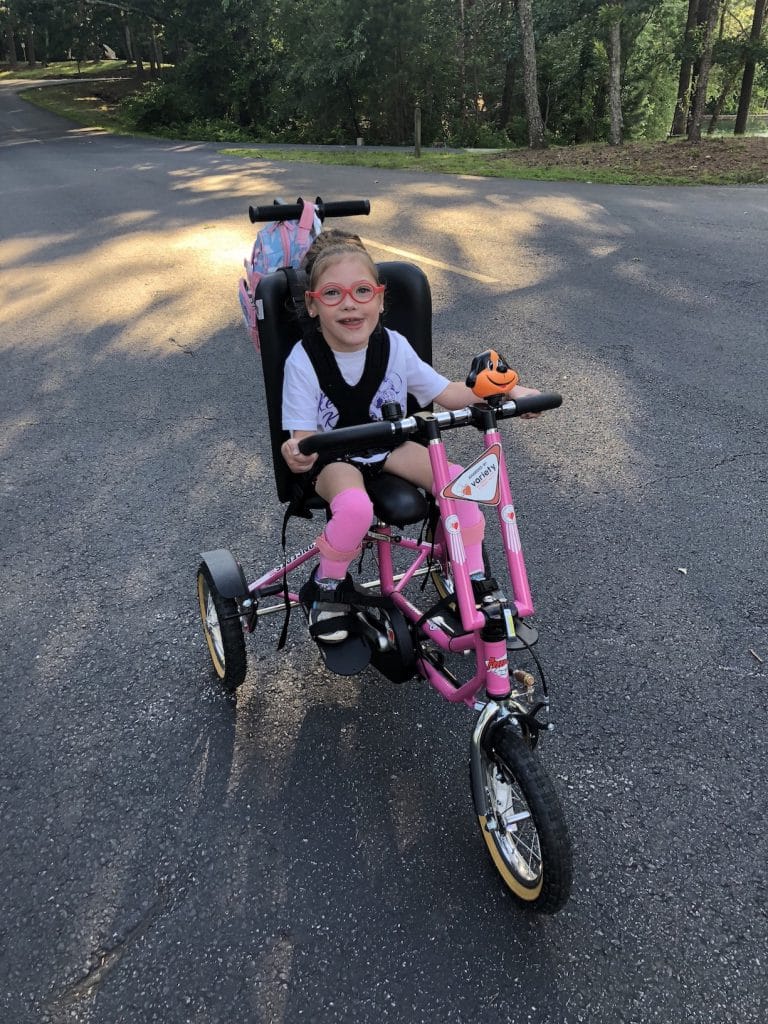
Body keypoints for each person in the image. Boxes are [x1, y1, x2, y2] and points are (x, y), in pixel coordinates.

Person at [281, 231, 540, 642]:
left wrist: (507, 390)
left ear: (381, 300)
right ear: (313, 305)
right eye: (333, 294)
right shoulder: (304, 361)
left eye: (362, 291)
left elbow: (449, 393)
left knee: (459, 485)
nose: (350, 303)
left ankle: (471, 581)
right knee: (354, 509)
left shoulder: (395, 347)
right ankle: (327, 587)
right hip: (335, 459)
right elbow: (304, 438)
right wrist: (296, 452)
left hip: (390, 447)